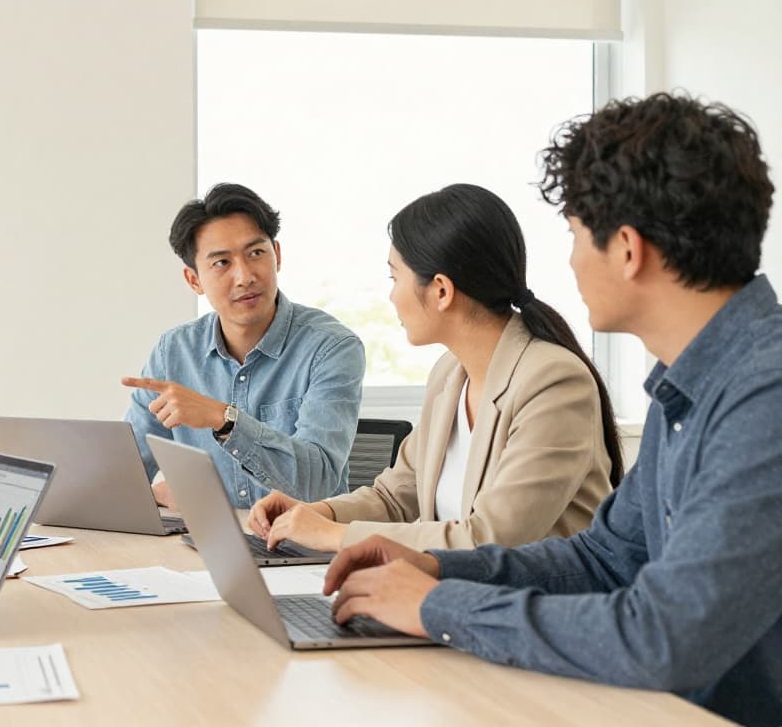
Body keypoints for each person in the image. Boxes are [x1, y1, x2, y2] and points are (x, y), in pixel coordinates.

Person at [323, 94, 781, 726]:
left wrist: (438, 607)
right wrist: (435, 567)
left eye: (572, 236)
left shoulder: (765, 396)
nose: (567, 261)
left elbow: (667, 638)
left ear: (626, 249)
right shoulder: (693, 388)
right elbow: (604, 559)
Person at [248, 184, 621, 553]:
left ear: (441, 291)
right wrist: (317, 513)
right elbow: (394, 498)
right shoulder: (450, 374)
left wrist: (334, 536)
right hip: (460, 597)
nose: (391, 296)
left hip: (539, 605)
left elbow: (490, 540)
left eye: (395, 278)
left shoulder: (553, 382)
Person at [122, 183, 365, 508]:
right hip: (206, 544)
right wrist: (155, 495)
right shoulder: (174, 352)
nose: (245, 276)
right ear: (194, 280)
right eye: (222, 263)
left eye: (255, 253)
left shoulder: (331, 347)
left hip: (305, 549)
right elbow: (123, 474)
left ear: (276, 255)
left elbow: (317, 482)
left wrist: (224, 419)